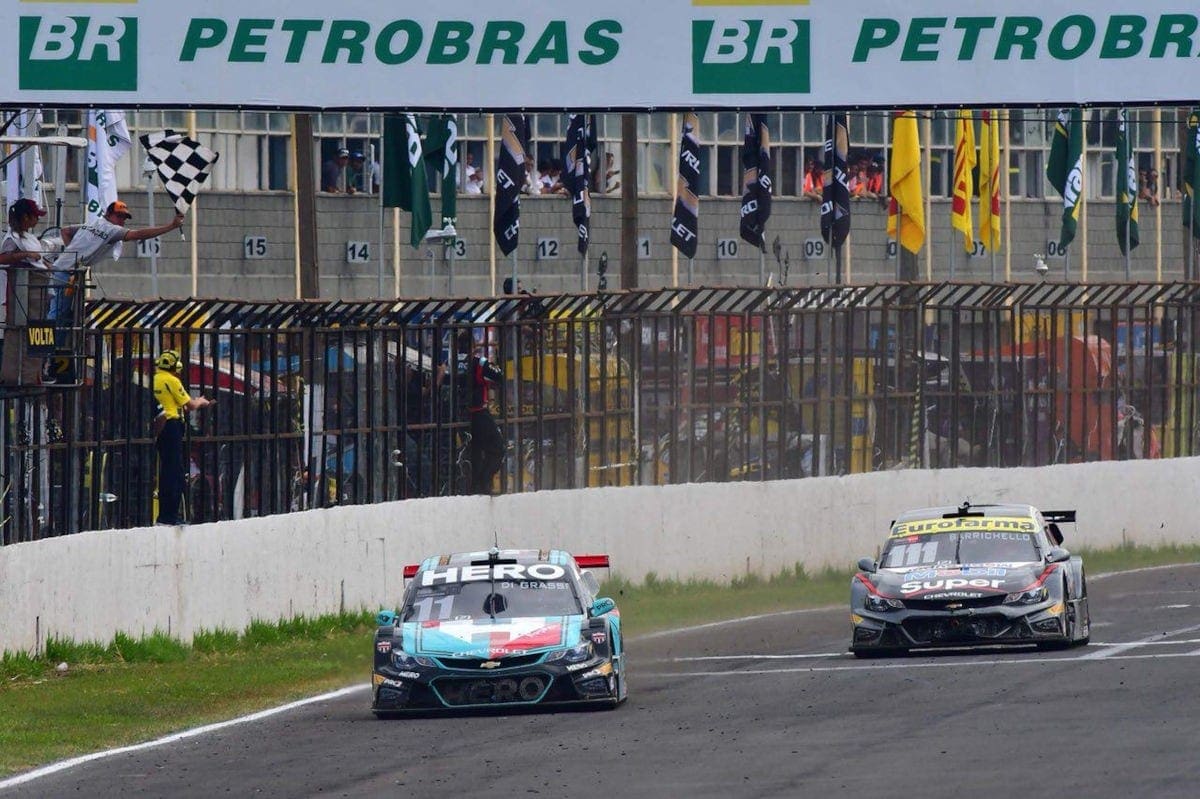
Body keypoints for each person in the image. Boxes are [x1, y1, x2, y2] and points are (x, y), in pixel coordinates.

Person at [49, 200, 184, 319]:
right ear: (108, 214)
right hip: (67, 274)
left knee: (64, 314)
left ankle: (52, 345)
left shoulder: (92, 224)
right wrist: (170, 226)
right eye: (119, 216)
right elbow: (138, 235)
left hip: (62, 269)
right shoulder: (111, 229)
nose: (122, 220)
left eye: (124, 217)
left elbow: (65, 231)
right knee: (59, 314)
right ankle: (47, 347)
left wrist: (73, 254)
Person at [152, 349, 214, 526]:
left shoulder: (154, 379)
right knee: (175, 473)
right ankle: (170, 516)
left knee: (165, 471)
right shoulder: (172, 380)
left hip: (159, 428)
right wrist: (202, 401)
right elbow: (190, 405)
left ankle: (165, 515)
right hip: (172, 426)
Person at [454, 329, 505, 495]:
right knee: (498, 449)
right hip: (479, 414)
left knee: (473, 454)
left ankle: (474, 487)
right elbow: (499, 376)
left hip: (459, 416)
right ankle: (483, 484)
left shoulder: (450, 363)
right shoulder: (479, 362)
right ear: (473, 346)